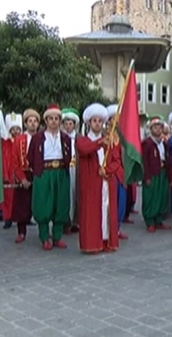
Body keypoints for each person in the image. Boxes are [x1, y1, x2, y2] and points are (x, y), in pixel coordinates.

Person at [76, 103, 120, 253]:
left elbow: (116, 161)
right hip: (90, 183)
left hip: (106, 182)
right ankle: (91, 243)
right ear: (89, 123)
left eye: (100, 121)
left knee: (106, 210)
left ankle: (106, 240)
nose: (97, 124)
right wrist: (100, 143)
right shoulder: (83, 140)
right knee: (92, 212)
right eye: (94, 121)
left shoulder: (109, 141)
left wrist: (106, 171)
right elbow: (85, 150)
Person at [28, 104, 72, 250]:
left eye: (56, 119)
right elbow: (30, 157)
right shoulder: (37, 138)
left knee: (60, 204)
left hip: (60, 172)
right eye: (50, 118)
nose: (54, 121)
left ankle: (57, 237)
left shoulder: (65, 138)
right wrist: (39, 172)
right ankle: (45, 237)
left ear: (60, 121)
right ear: (46, 121)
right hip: (44, 173)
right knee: (43, 204)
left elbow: (68, 156)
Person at [11, 109, 40, 243]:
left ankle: (43, 232)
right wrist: (22, 178)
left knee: (41, 204)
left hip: (38, 173)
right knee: (22, 205)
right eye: (30, 121)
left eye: (35, 121)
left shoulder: (42, 138)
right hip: (24, 173)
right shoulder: (19, 140)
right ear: (25, 123)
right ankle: (21, 232)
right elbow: (15, 160)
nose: (33, 124)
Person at [141, 116, 172, 232]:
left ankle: (159, 219)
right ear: (151, 129)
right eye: (156, 127)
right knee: (151, 197)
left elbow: (168, 159)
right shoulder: (147, 143)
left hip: (163, 172)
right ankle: (150, 221)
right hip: (152, 174)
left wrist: (169, 176)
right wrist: (146, 176)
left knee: (162, 196)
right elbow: (144, 161)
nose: (158, 129)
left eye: (160, 127)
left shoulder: (164, 143)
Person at [105, 104, 129, 240]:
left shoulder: (122, 137)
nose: (116, 122)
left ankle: (117, 229)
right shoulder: (104, 136)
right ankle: (108, 230)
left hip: (120, 173)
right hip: (109, 174)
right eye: (114, 119)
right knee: (110, 204)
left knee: (121, 203)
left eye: (119, 119)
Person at [0, 113, 22, 230]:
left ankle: (21, 218)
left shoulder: (22, 141)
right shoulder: (6, 143)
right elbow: (4, 159)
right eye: (13, 129)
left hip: (19, 172)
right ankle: (7, 218)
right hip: (9, 172)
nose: (15, 131)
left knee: (20, 197)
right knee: (8, 197)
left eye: (17, 129)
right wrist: (4, 174)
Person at [61, 108, 80, 234]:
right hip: (64, 169)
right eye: (66, 124)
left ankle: (75, 221)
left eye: (71, 124)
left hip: (76, 169)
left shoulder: (78, 138)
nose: (68, 126)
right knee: (65, 194)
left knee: (76, 193)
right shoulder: (60, 138)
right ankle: (65, 221)